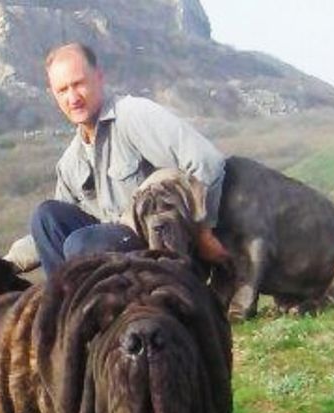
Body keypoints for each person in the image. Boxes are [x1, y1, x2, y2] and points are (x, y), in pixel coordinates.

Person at [30, 42, 228, 275]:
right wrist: (5, 263)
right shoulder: (70, 163)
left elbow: (207, 161)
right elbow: (47, 237)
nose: (72, 98)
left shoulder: (133, 115)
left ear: (98, 77)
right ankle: (67, 306)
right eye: (62, 90)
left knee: (81, 245)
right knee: (45, 217)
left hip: (158, 246)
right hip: (111, 249)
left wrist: (204, 232)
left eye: (78, 84)